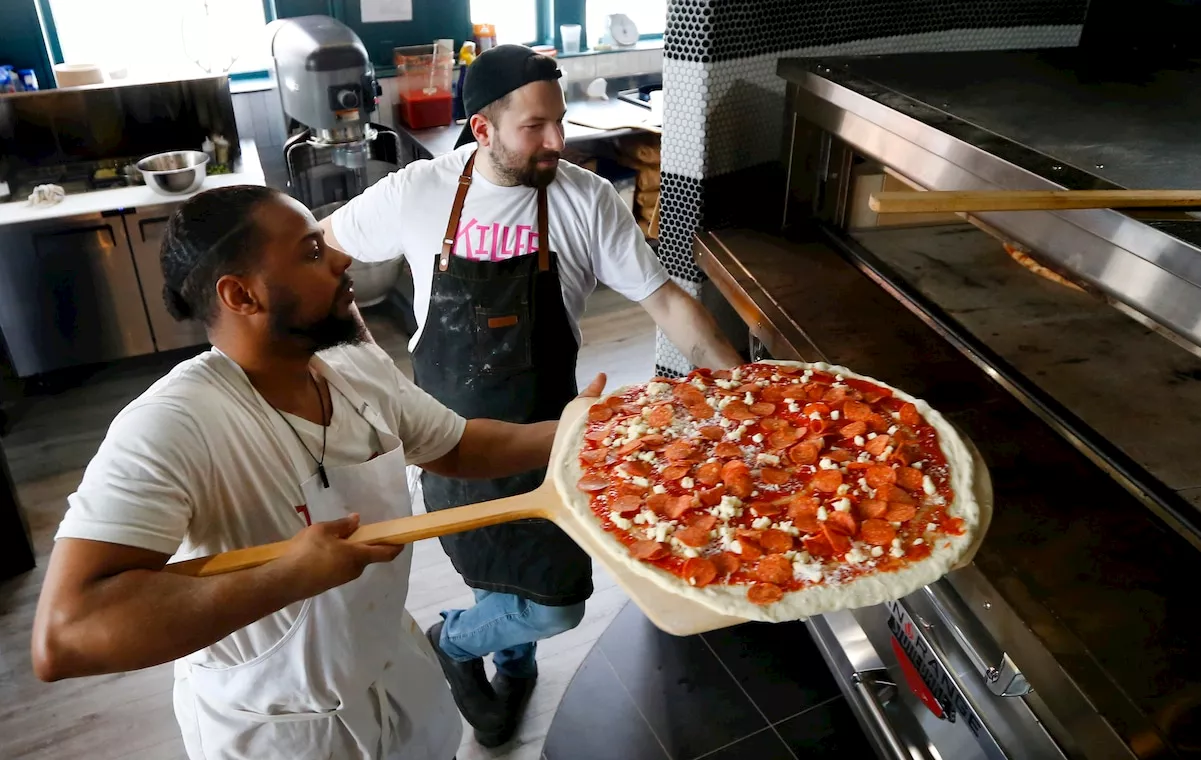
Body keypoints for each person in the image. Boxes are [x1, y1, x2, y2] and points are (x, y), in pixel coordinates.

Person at [30, 185, 605, 760]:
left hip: (395, 681)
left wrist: (586, 433)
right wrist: (289, 575)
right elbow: (66, 633)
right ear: (241, 294)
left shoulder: (352, 370)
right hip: (280, 733)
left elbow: (457, 445)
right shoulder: (172, 424)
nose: (341, 257)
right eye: (310, 252)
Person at [320, 44, 742, 745]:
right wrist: (370, 365)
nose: (558, 141)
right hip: (452, 444)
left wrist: (740, 387)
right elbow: (323, 252)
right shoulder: (419, 192)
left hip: (551, 441)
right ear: (483, 130)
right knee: (498, 584)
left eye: (561, 121)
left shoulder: (586, 200)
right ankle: (510, 663)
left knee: (555, 608)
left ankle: (451, 642)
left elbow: (667, 305)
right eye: (536, 127)